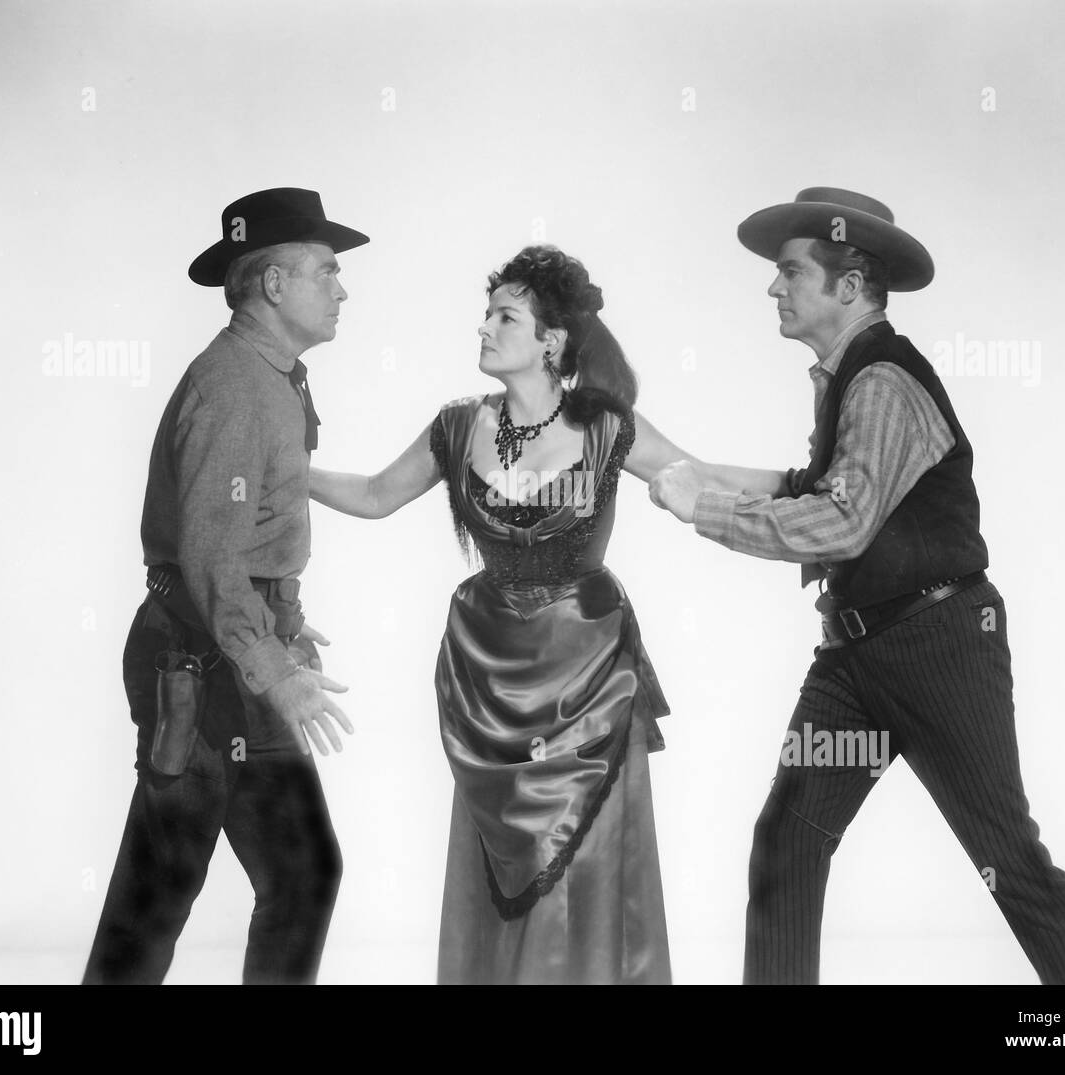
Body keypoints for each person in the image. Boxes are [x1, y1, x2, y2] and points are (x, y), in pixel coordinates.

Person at [649, 187, 1065, 985]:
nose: (773, 287)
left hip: (937, 648)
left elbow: (841, 523)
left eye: (790, 272)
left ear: (849, 282)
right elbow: (806, 484)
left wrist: (707, 508)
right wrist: (671, 463)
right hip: (855, 662)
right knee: (787, 843)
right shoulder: (847, 379)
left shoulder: (883, 383)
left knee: (1007, 859)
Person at [309, 245, 764, 984]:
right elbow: (372, 495)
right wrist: (285, 469)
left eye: (504, 316)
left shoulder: (609, 427)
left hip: (589, 677)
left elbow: (701, 475)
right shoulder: (458, 427)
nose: (484, 328)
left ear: (551, 341)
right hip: (490, 676)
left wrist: (811, 484)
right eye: (486, 314)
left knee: (585, 872)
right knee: (502, 871)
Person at [83, 187, 364, 985]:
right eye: (326, 270)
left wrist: (287, 621)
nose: (341, 289)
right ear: (275, 285)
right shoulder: (235, 387)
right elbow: (210, 560)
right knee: (159, 892)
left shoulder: (272, 374)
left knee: (303, 870)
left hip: (238, 651)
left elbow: (255, 534)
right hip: (199, 666)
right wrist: (276, 669)